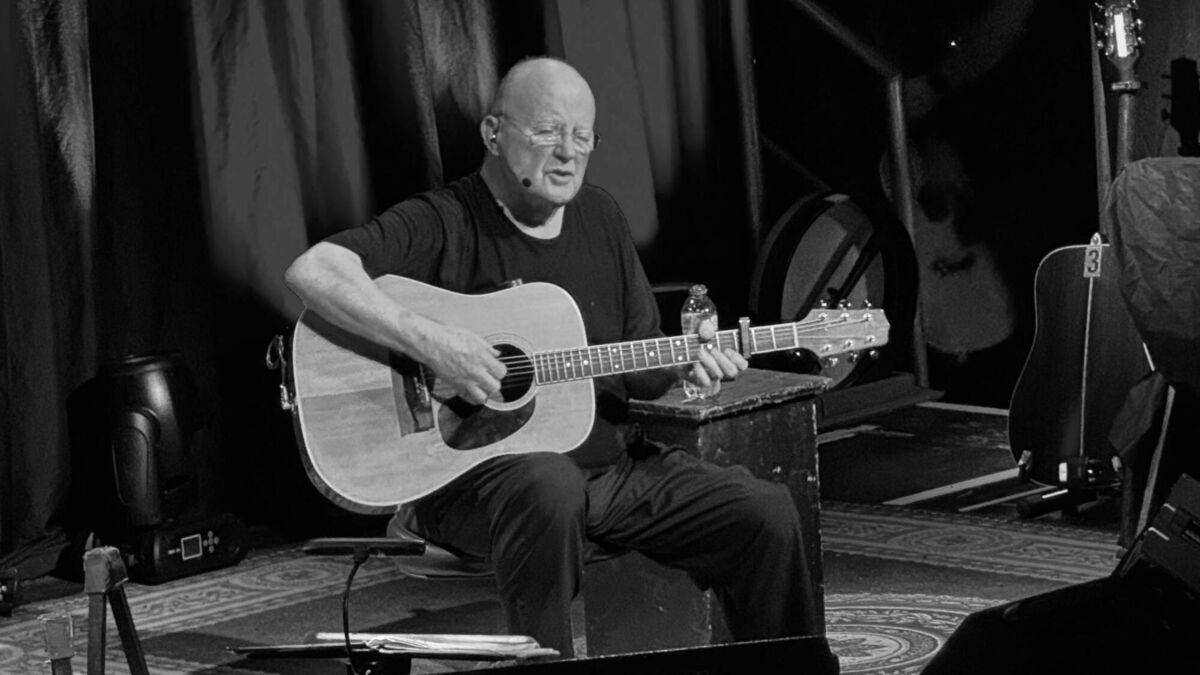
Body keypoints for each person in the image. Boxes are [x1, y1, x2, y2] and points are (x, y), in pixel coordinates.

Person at [284, 56, 819, 656]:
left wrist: (684, 364)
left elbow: (641, 374)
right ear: (493, 133)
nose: (568, 153)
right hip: (475, 484)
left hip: (610, 474)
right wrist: (434, 343)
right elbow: (314, 271)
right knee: (549, 485)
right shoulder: (446, 221)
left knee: (765, 512)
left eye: (582, 137)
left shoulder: (602, 217)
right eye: (547, 132)